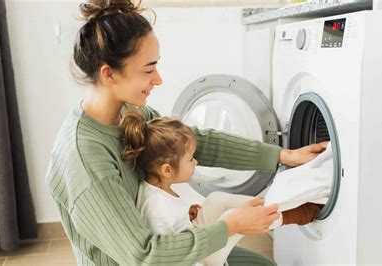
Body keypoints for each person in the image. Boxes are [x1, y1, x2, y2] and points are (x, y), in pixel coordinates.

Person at [45, 0, 328, 265]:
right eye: (148, 70)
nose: (158, 79)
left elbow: (194, 142)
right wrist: (229, 226)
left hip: (168, 245)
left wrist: (283, 155)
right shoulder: (85, 157)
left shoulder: (129, 113)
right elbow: (144, 255)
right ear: (109, 74)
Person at [121, 110, 323, 266]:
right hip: (197, 260)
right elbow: (168, 258)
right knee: (232, 217)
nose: (196, 162)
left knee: (217, 199)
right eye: (190, 159)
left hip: (194, 240)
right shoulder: (155, 206)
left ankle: (278, 204)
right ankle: (296, 212)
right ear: (167, 170)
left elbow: (173, 229)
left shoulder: (159, 188)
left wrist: (187, 215)